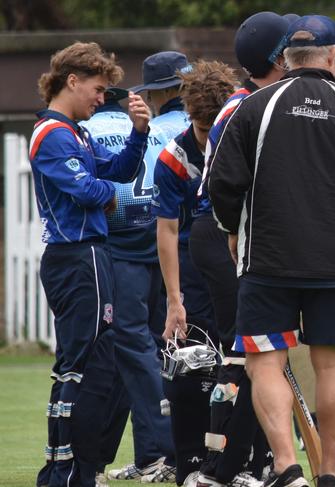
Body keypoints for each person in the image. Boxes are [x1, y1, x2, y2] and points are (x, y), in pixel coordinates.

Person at [208, 15, 335, 487]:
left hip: (268, 258)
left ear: (284, 58)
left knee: (264, 359)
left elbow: (221, 183)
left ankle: (286, 466)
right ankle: (331, 473)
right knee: (332, 361)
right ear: (334, 54)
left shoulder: (255, 106)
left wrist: (231, 229)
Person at [30, 41, 150, 487]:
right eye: (98, 90)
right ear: (72, 81)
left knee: (82, 364)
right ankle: (69, 471)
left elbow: (115, 172)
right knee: (88, 366)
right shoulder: (53, 134)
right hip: (77, 257)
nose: (102, 100)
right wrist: (112, 194)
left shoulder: (74, 132)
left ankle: (65, 468)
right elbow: (90, 192)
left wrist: (139, 133)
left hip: (86, 256)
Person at [186, 11, 293, 487]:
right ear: (275, 57)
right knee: (244, 351)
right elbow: (225, 184)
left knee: (256, 352)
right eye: (288, 48)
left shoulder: (264, 100)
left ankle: (244, 466)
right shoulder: (243, 106)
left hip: (243, 232)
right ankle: (218, 468)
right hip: (224, 231)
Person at [80, 87, 175, 485]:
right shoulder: (153, 128)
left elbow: (90, 187)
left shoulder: (85, 130)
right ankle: (151, 453)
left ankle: (161, 452)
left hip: (118, 250)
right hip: (160, 243)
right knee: (149, 350)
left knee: (128, 352)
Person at [106, 50, 192, 483]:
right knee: (174, 348)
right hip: (184, 248)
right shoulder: (198, 126)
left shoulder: (152, 129)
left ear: (156, 93)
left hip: (146, 242)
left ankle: (162, 454)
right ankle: (164, 453)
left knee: (139, 348)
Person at [151, 59, 237, 486]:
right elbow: (166, 231)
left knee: (243, 367)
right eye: (202, 130)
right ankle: (188, 465)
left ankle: (246, 463)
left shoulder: (244, 140)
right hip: (192, 265)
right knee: (190, 369)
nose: (208, 139)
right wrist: (174, 299)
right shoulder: (173, 158)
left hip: (243, 263)